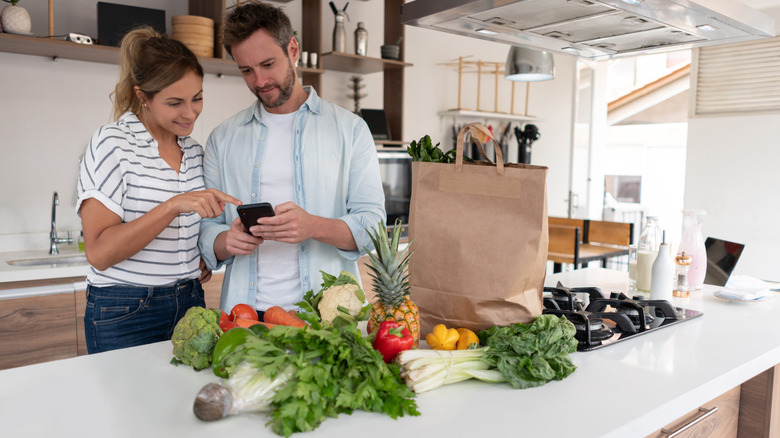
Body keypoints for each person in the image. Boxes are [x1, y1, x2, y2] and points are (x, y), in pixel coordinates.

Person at [198, 2, 386, 319]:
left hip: (328, 315)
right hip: (245, 316)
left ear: (293, 50)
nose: (259, 81)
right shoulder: (223, 138)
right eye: (247, 70)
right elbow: (205, 230)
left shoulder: (350, 130)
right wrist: (225, 240)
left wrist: (313, 226)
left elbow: (374, 227)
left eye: (268, 64)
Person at [77, 27, 241, 353]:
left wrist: (198, 256)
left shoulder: (194, 152)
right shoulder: (113, 143)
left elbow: (194, 234)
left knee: (182, 403)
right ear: (143, 97)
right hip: (126, 309)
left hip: (190, 301)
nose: (190, 112)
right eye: (175, 102)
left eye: (198, 98)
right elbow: (99, 252)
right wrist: (172, 206)